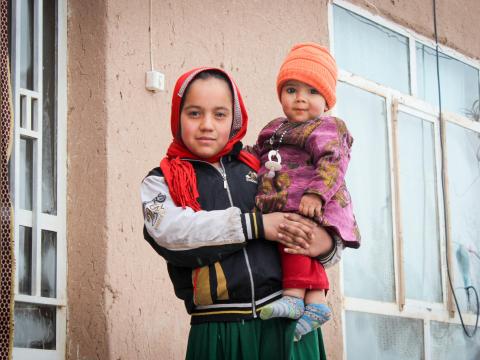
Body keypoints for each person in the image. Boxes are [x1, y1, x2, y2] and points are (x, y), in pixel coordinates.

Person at [141, 67, 344, 359]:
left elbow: (327, 212)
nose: (207, 125)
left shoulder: (264, 164)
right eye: (194, 113)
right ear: (177, 116)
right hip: (218, 331)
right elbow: (170, 232)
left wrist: (325, 244)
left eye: (220, 114)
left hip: (288, 325)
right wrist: (255, 225)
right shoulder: (161, 180)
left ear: (235, 118)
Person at [254, 43, 361, 341]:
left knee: (295, 238)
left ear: (327, 101)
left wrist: (316, 194)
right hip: (292, 199)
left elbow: (333, 162)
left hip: (316, 201)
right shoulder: (274, 129)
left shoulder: (327, 127)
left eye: (312, 92)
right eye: (291, 90)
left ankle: (292, 297)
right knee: (298, 239)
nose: (301, 98)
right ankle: (316, 303)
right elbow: (260, 153)